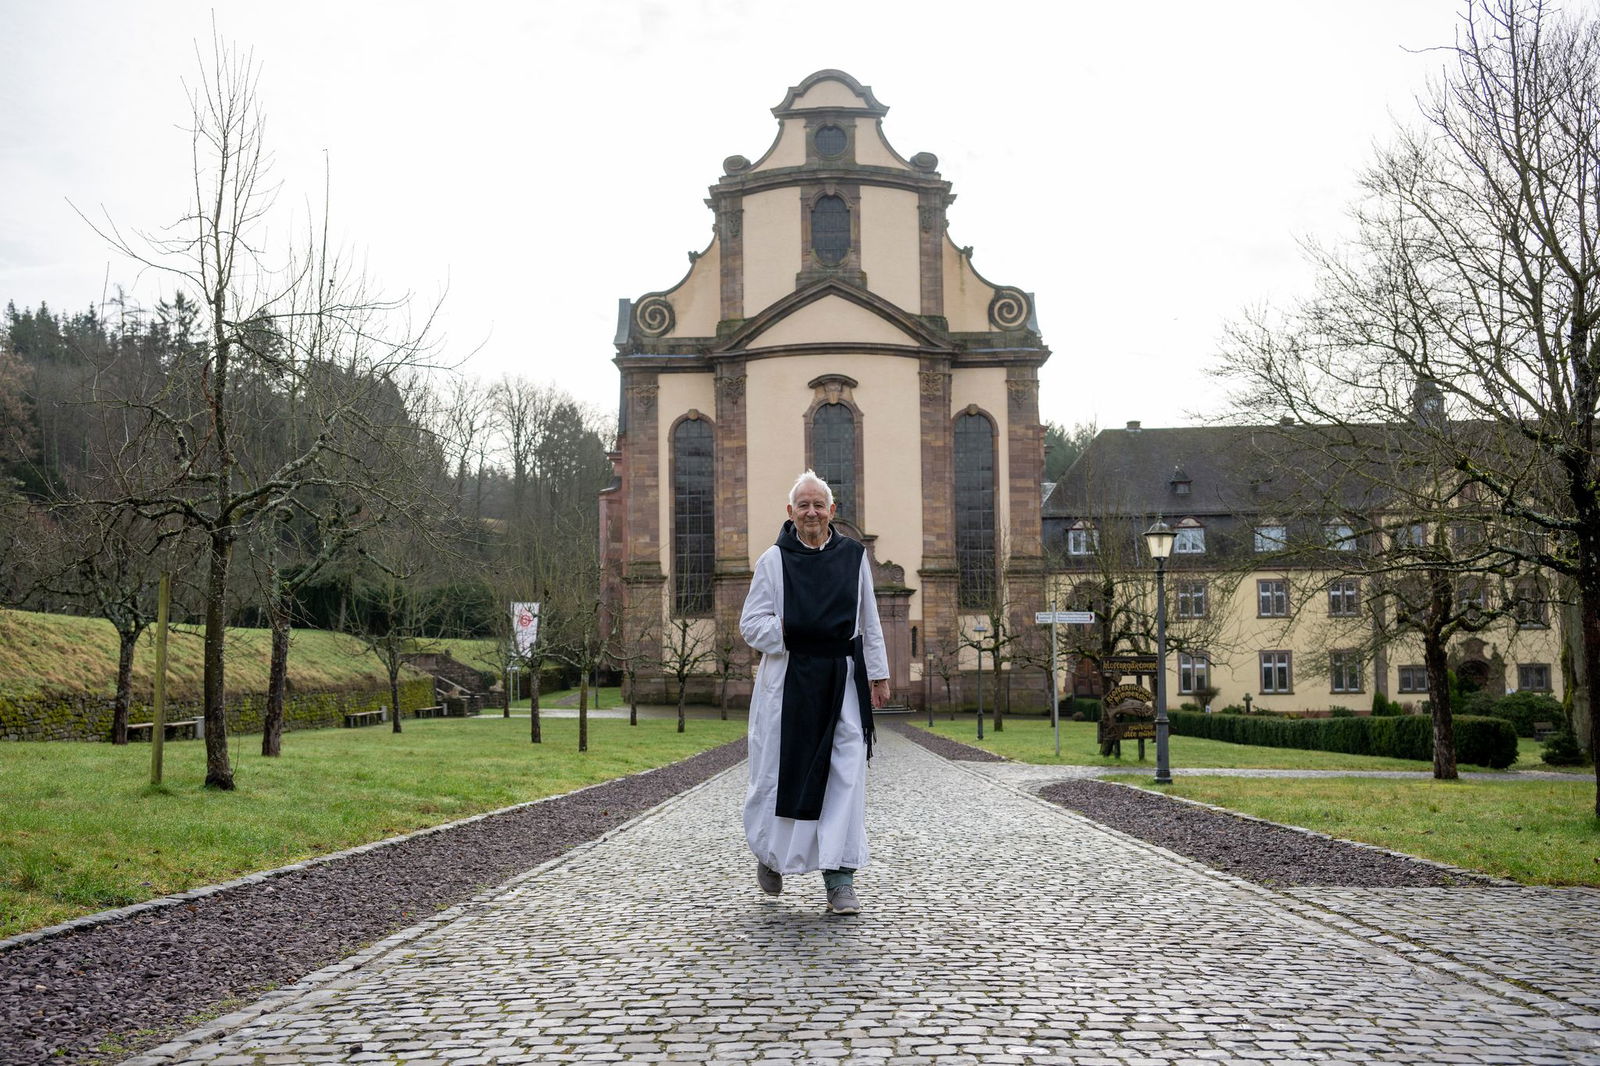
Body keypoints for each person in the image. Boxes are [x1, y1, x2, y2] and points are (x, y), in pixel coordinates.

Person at [740, 469, 890, 915]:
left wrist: (878, 676)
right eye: (802, 505)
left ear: (832, 511)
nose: (811, 511)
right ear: (790, 512)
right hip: (788, 682)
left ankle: (840, 880)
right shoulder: (772, 561)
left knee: (845, 776)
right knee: (779, 773)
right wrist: (793, 628)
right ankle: (770, 855)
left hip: (842, 682)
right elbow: (751, 624)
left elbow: (869, 618)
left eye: (818, 504)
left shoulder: (853, 557)